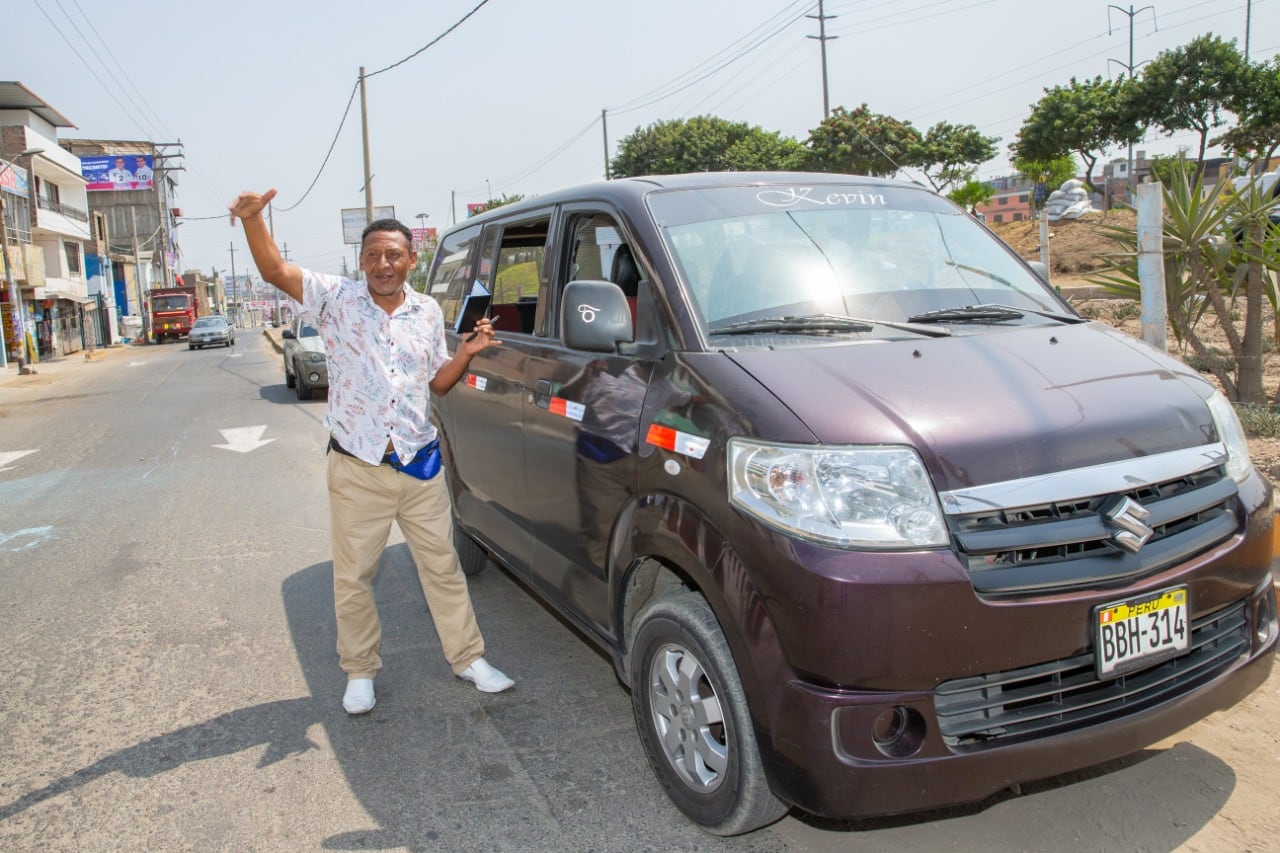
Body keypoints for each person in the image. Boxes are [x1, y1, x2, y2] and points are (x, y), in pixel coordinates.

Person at [229, 188, 515, 715]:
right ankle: (359, 672)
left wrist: (469, 354)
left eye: (394, 255)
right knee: (354, 577)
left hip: (420, 463)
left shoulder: (427, 312)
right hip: (358, 465)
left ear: (411, 260)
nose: (383, 264)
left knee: (444, 569)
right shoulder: (335, 299)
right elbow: (275, 271)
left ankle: (468, 658)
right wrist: (253, 221)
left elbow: (438, 383)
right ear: (361, 262)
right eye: (373, 256)